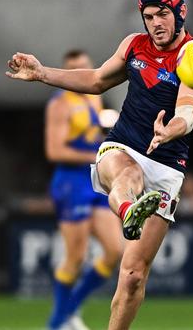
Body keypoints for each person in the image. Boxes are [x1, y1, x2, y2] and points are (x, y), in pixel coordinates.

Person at [6, 0, 193, 330]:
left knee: (132, 277)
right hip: (122, 146)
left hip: (166, 164)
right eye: (148, 17)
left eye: (162, 14)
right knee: (128, 175)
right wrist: (43, 74)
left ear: (181, 12)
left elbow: (188, 111)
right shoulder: (134, 45)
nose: (155, 24)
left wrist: (171, 129)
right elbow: (97, 80)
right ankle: (129, 209)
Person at [45, 50, 123, 330]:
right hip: (70, 182)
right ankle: (57, 322)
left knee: (114, 251)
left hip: (94, 179)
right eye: (73, 68)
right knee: (76, 256)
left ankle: (69, 309)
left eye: (83, 67)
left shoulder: (94, 95)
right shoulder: (59, 104)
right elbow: (54, 150)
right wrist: (97, 155)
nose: (79, 72)